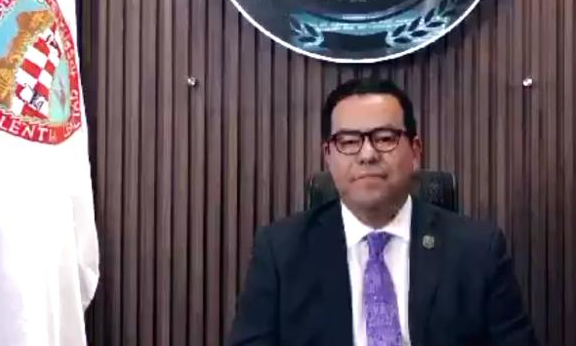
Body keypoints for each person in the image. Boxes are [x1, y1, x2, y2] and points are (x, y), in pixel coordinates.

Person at [227, 78, 538, 346]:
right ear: (328, 156)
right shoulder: (281, 252)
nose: (367, 154)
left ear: (415, 151)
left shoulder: (477, 250)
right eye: (349, 141)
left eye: (385, 139)